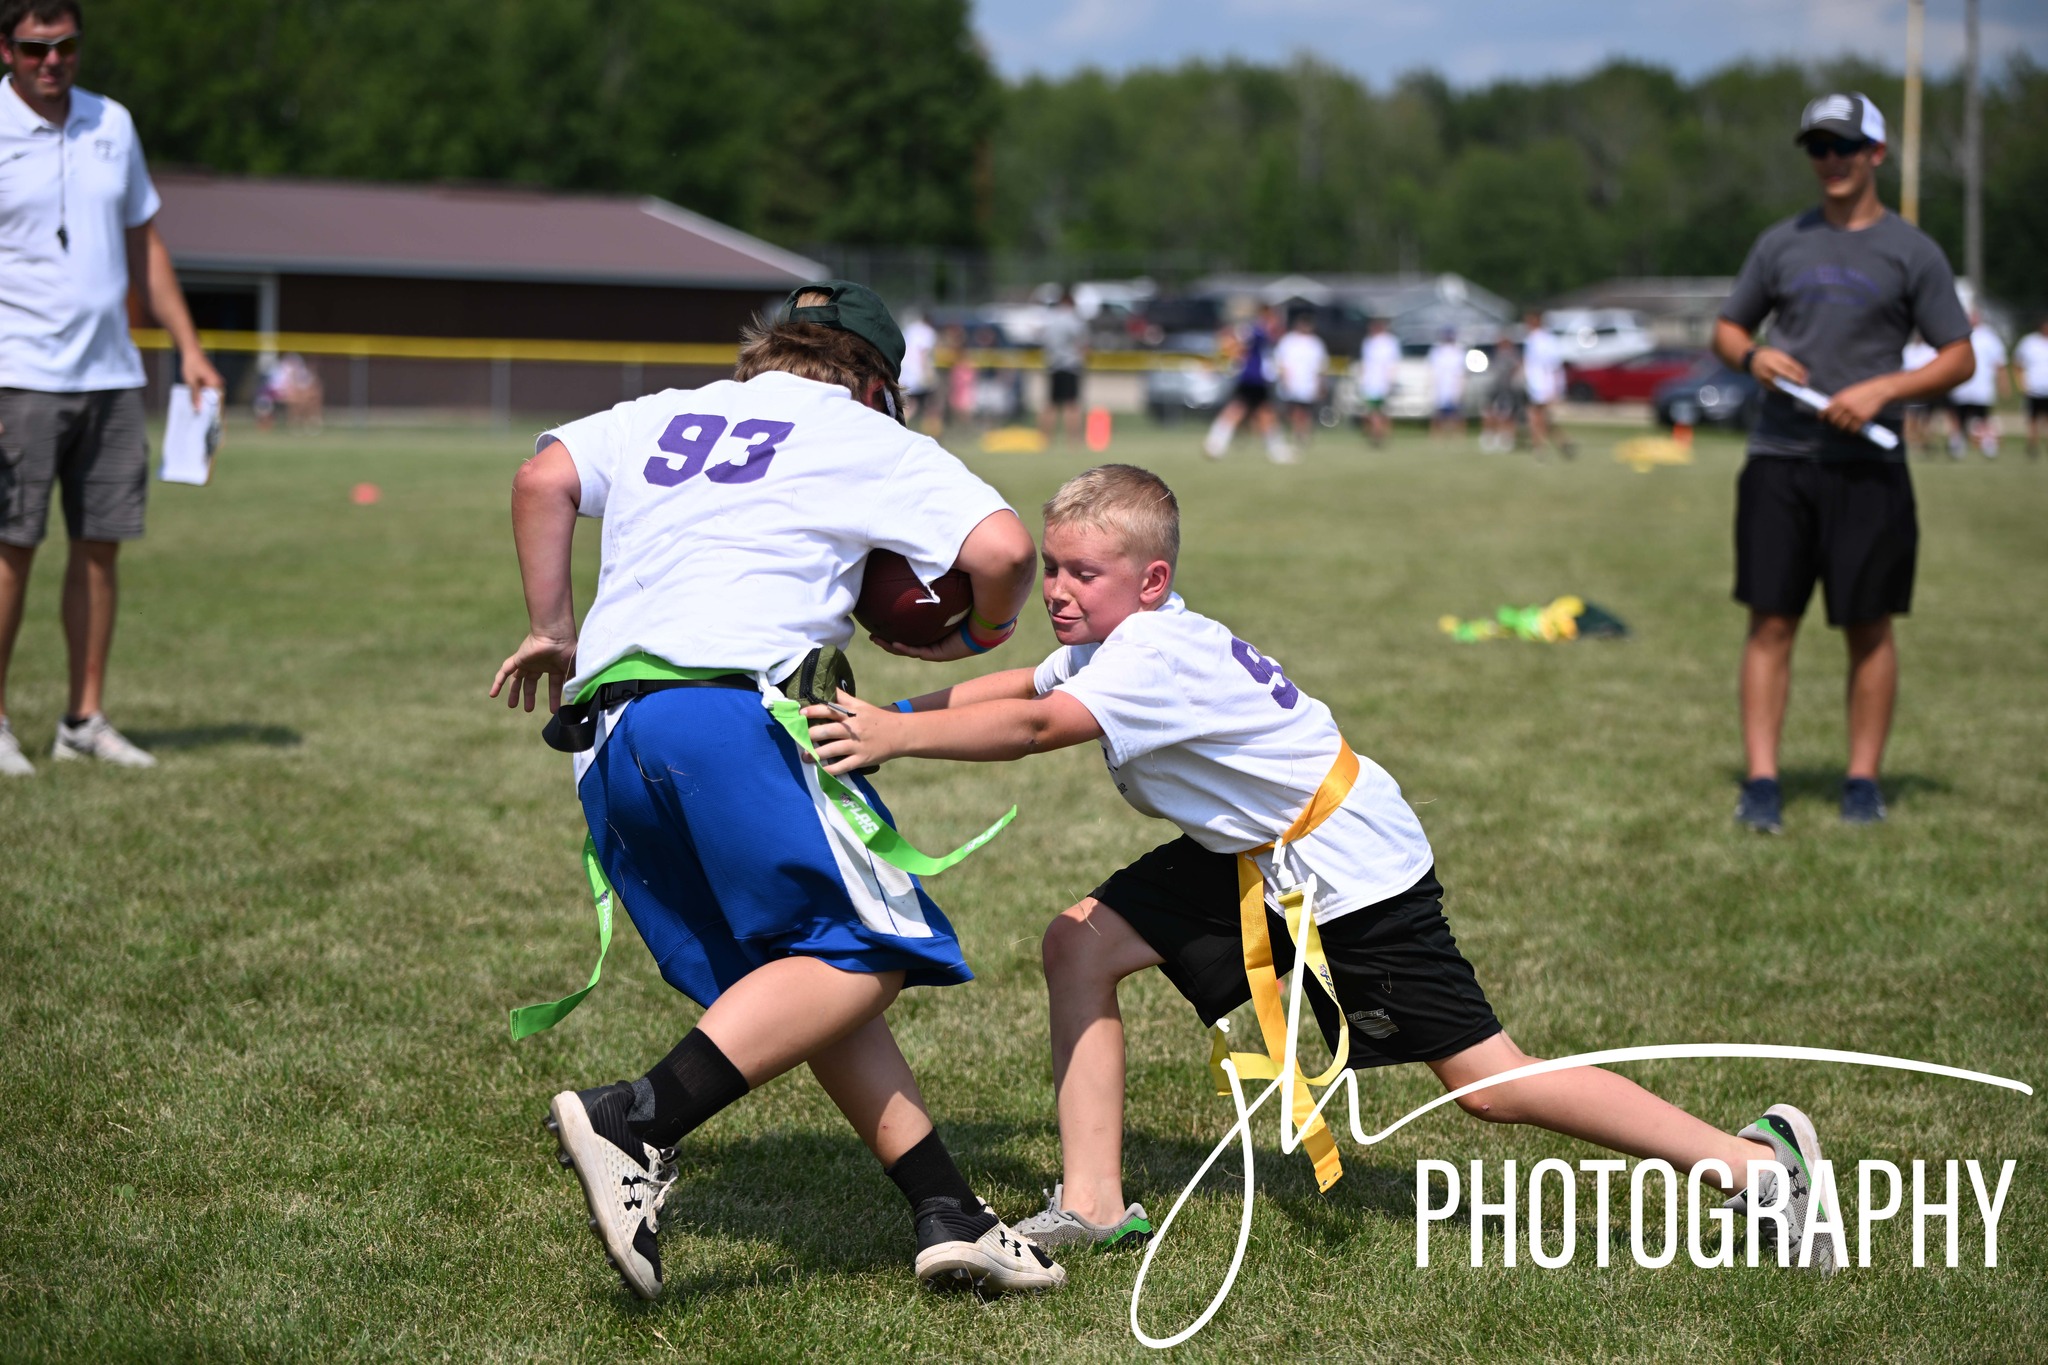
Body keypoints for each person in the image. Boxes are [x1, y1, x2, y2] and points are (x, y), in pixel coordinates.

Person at [801, 464, 1838, 1273]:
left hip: (1344, 865)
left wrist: (895, 741)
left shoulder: (1154, 653)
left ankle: (1754, 1165)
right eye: (1055, 569)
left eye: (1082, 574)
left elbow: (1034, 727)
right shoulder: (1119, 639)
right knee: (1078, 943)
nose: (1059, 592)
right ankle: (1095, 1203)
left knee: (1486, 1084)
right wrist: (887, 713)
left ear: (1150, 582)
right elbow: (1025, 683)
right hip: (1251, 850)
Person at [488, 281, 1062, 1301]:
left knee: (802, 975)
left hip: (610, 741)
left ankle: (947, 1210)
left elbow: (543, 477)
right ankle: (638, 1119)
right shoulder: (863, 432)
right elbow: (1005, 550)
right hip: (735, 715)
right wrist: (979, 630)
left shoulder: (666, 411)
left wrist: (550, 626)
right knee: (867, 954)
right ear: (875, 383)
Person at [1713, 92, 1974, 833]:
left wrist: (1884, 389)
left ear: (1876, 155)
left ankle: (1862, 782)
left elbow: (1959, 356)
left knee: (1869, 626)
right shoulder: (1780, 243)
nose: (1830, 161)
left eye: (1844, 148)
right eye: (1818, 149)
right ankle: (1763, 782)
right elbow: (1727, 330)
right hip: (1780, 459)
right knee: (1770, 624)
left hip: (1868, 466)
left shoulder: (1911, 251)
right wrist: (1755, 357)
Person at [0, 0, 223, 778]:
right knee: (11, 547)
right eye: (35, 48)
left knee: (101, 548)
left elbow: (145, 244)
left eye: (65, 46)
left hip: (112, 374)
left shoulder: (112, 122)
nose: (52, 62)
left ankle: (83, 719)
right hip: (17, 374)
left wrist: (189, 348)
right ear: (5, 49)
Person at [1202, 303, 1291, 463]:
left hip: (1257, 380)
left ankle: (1215, 444)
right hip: (1252, 378)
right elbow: (1235, 342)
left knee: (1261, 413)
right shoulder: (1257, 331)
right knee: (1241, 411)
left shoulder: (1258, 332)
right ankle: (1215, 444)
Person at [1943, 308, 2007, 459]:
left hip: (1982, 386)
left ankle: (1987, 444)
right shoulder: (1957, 334)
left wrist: (2003, 383)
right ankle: (1957, 445)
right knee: (1959, 417)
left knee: (1983, 417)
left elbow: (1999, 362)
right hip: (1961, 386)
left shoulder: (1989, 337)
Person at [1519, 309, 1575, 458]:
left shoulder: (1545, 340)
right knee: (1541, 417)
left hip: (1542, 384)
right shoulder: (1532, 339)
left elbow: (1553, 365)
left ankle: (1540, 448)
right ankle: (1562, 442)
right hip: (1534, 384)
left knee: (1535, 416)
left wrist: (1555, 387)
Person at [1272, 310, 1328, 452]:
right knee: (1295, 411)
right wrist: (1285, 380)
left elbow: (1320, 366)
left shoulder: (1316, 343)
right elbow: (1281, 362)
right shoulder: (1288, 341)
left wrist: (1320, 384)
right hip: (1292, 383)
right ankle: (1297, 434)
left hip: (1309, 385)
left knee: (1306, 412)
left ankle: (1304, 435)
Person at [1037, 288, 1088, 446]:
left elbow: (1043, 341)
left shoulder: (1050, 319)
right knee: (1071, 405)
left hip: (1053, 365)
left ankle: (1045, 439)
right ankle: (1073, 441)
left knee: (1051, 404)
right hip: (1071, 365)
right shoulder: (1074, 319)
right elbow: (1083, 343)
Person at [1356, 316, 1399, 447]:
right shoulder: (1368, 342)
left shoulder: (1389, 342)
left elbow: (1392, 364)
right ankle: (1377, 434)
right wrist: (1362, 380)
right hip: (1371, 382)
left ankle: (1380, 434)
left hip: (1382, 382)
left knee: (1380, 411)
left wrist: (1390, 380)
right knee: (1372, 411)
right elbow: (1365, 363)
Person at [898, 311, 939, 436]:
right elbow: (923, 353)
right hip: (918, 373)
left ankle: (900, 428)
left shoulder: (911, 328)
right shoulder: (927, 332)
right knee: (930, 404)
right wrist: (928, 373)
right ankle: (932, 432)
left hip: (905, 371)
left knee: (910, 404)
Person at [1479, 339, 1523, 452]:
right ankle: (1490, 436)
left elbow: (1517, 368)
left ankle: (1505, 438)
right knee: (1490, 412)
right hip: (1494, 389)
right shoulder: (1495, 356)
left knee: (1506, 415)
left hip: (1507, 390)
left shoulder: (1511, 357)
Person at [1899, 335, 1938, 455]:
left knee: (1925, 418)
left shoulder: (1929, 350)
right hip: (1910, 388)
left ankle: (1923, 442)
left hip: (1925, 389)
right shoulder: (1908, 349)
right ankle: (1912, 441)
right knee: (1911, 417)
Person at [1426, 328, 1466, 442]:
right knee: (1438, 413)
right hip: (1440, 386)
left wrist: (1460, 386)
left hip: (1454, 385)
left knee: (1456, 413)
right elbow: (1433, 370)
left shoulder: (1458, 351)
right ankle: (1436, 436)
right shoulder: (1437, 352)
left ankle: (1458, 436)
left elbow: (1461, 371)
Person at [2016, 317, 2048, 460]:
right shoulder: (2029, 342)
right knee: (2033, 420)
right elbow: (2018, 364)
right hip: (2034, 390)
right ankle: (2032, 446)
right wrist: (2021, 384)